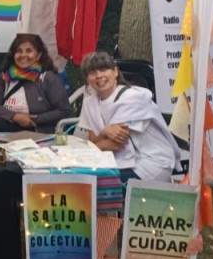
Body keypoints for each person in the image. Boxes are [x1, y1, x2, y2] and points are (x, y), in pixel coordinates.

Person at [77, 51, 181, 183]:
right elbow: (91, 138)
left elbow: (115, 144)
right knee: (81, 177)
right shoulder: (90, 102)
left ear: (115, 72)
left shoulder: (133, 98)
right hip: (114, 161)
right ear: (87, 78)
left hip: (151, 162)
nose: (99, 76)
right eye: (92, 72)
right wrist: (106, 132)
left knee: (95, 182)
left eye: (104, 69)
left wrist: (91, 146)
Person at [0, 33, 71, 134]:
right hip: (6, 127)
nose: (23, 55)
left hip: (37, 131)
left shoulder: (48, 78)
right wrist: (15, 117)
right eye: (19, 51)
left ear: (38, 55)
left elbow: (64, 111)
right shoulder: (5, 77)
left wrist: (34, 119)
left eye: (29, 51)